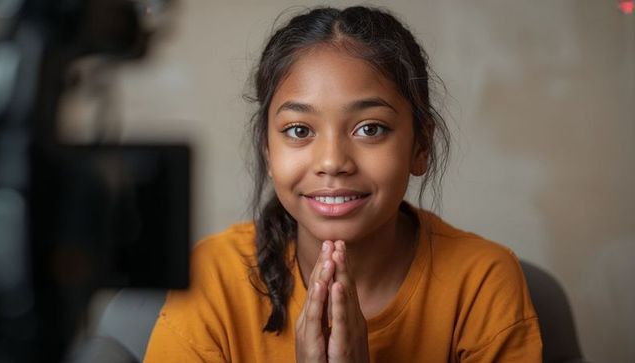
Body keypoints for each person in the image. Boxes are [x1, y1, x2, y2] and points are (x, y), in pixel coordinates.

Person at [144, 6, 542, 362]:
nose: (333, 161)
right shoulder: (212, 277)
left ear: (420, 145)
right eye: (299, 130)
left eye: (370, 128)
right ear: (267, 150)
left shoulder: (482, 282)